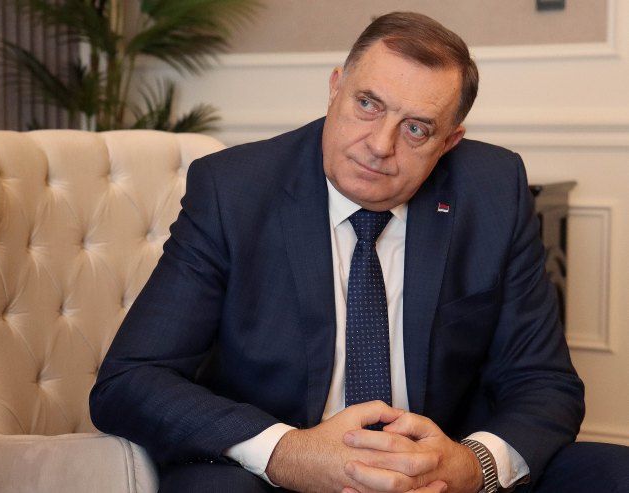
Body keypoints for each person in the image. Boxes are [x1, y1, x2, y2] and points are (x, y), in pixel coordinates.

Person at [89, 12, 629, 493]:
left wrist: (471, 467)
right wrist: (287, 453)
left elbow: (545, 383)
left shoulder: (492, 190)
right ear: (335, 88)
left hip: (437, 475)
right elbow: (131, 380)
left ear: (449, 142)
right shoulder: (235, 190)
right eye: (367, 104)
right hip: (273, 471)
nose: (379, 145)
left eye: (416, 129)